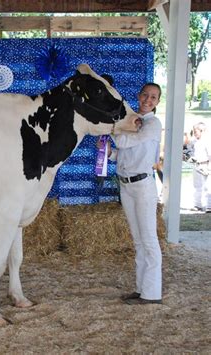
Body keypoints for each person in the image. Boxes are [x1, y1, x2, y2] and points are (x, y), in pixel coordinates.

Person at [101, 82, 163, 305]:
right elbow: (123, 154)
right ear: (139, 96)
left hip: (143, 186)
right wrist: (109, 152)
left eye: (153, 97)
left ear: (157, 102)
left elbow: (130, 141)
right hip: (126, 185)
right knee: (138, 240)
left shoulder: (153, 124)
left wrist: (111, 129)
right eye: (145, 95)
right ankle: (141, 288)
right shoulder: (132, 122)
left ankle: (152, 293)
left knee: (149, 240)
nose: (148, 100)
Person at [187, 122, 211, 212]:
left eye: (195, 131)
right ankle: (197, 204)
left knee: (207, 186)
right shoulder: (195, 141)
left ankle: (209, 205)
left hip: (205, 164)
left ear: (202, 131)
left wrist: (209, 167)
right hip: (197, 165)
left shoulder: (207, 141)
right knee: (197, 186)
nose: (194, 133)